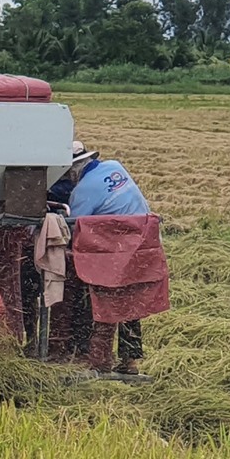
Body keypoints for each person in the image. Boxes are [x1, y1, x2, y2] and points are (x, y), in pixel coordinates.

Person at [51, 141, 154, 375]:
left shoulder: (83, 190)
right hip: (143, 241)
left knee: (101, 301)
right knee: (131, 301)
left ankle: (97, 360)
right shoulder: (114, 166)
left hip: (115, 249)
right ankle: (129, 361)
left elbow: (73, 228)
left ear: (73, 169)